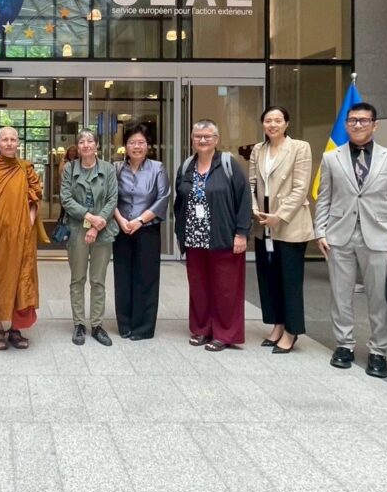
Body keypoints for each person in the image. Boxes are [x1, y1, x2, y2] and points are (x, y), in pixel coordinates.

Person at [314, 102, 387, 378]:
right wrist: (320, 231)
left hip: (379, 237)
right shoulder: (331, 158)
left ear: (374, 125)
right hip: (339, 235)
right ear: (346, 125)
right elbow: (324, 197)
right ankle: (344, 345)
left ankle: (378, 351)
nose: (358, 125)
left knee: (379, 298)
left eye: (364, 120)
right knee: (340, 295)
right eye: (353, 120)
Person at [174, 119, 252, 352]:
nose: (202, 140)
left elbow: (244, 200)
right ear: (192, 139)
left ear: (216, 139)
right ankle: (202, 329)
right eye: (198, 136)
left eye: (207, 136)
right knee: (199, 287)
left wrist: (241, 233)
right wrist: (180, 232)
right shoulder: (186, 166)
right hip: (194, 238)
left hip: (223, 237)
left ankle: (225, 333)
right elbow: (180, 201)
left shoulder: (228, 164)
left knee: (226, 289)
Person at [247, 106, 313, 354]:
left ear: (286, 123)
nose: (272, 125)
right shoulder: (258, 149)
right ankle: (277, 324)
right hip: (263, 224)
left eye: (277, 120)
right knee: (269, 278)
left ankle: (291, 331)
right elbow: (251, 183)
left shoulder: (300, 148)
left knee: (290, 280)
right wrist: (254, 209)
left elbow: (301, 188)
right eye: (268, 120)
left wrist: (280, 216)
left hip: (289, 225)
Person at [0, 126, 43, 350]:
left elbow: (35, 196)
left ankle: (15, 329)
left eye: (12, 139)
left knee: (20, 280)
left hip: (21, 235)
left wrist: (29, 221)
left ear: (18, 143)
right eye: (4, 140)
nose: (8, 143)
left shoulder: (25, 168)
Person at [112, 123, 170, 341]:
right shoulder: (116, 168)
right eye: (132, 143)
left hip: (147, 230)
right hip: (122, 229)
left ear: (148, 145)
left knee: (146, 277)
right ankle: (125, 324)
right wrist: (120, 220)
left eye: (141, 142)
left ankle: (143, 327)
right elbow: (110, 197)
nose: (136, 147)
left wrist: (139, 220)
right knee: (123, 276)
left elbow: (163, 198)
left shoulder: (157, 168)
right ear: (125, 146)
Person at [60, 128, 118, 347]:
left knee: (98, 280)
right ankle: (78, 324)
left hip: (103, 230)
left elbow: (112, 198)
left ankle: (97, 324)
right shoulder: (69, 168)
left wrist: (97, 223)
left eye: (90, 141)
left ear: (97, 145)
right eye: (82, 141)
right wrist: (89, 217)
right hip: (77, 229)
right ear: (77, 146)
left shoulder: (108, 169)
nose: (86, 145)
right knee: (77, 279)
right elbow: (66, 199)